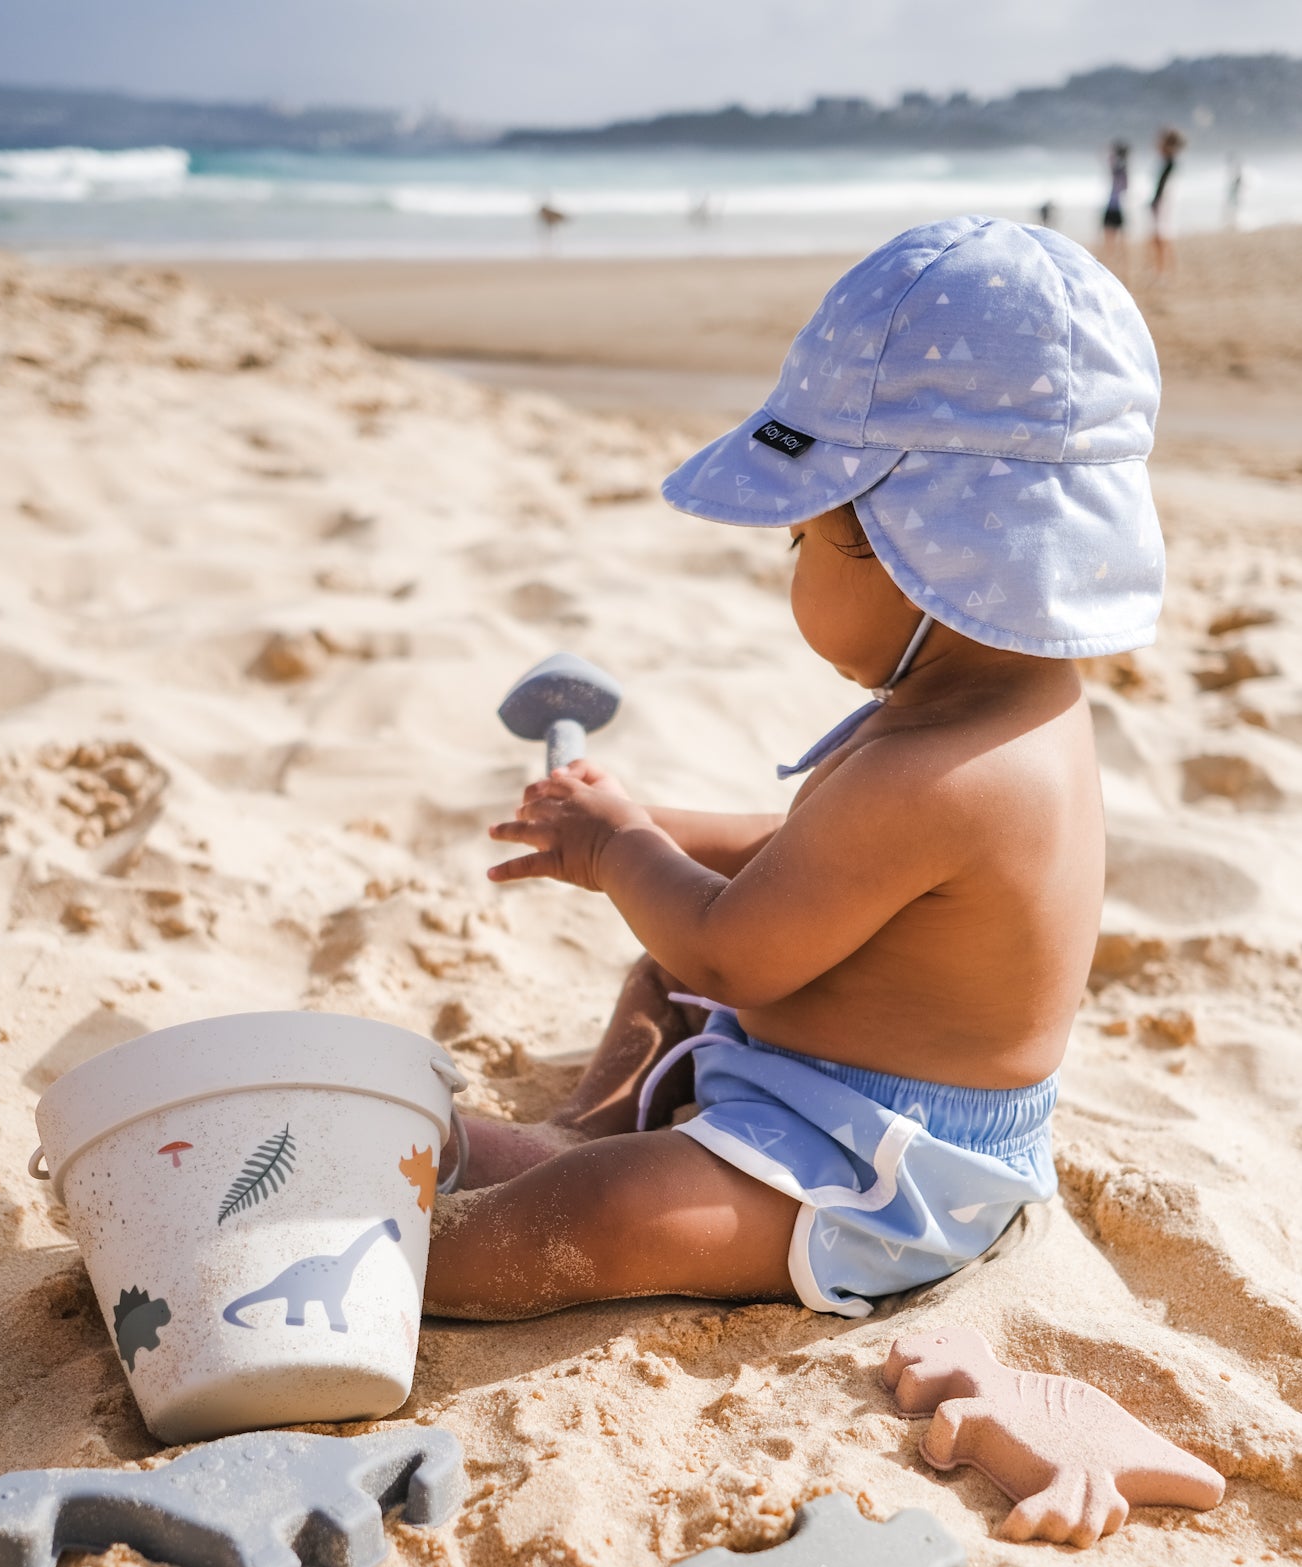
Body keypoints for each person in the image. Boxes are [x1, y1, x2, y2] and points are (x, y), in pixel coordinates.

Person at [424, 215, 1165, 1321]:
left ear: (914, 553)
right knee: (653, 977)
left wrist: (618, 850)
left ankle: (422, 1259)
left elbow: (735, 956)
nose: (790, 563)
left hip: (885, 1167)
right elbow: (805, 860)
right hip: (816, 1077)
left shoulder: (943, 772)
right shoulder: (989, 703)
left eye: (799, 537)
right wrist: (648, 819)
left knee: (607, 1209)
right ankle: (577, 1126)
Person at [1149, 129, 1185, 277]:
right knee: (1162, 237)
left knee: (1160, 238)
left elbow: (1162, 186)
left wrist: (1155, 201)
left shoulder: (1168, 163)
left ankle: (1163, 270)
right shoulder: (1170, 162)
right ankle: (1166, 268)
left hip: (1164, 203)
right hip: (1167, 202)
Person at [1101, 141, 1130, 258]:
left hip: (1114, 204)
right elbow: (1126, 186)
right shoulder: (1124, 167)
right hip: (1120, 204)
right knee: (1119, 234)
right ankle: (1120, 257)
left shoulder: (1119, 167)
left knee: (1109, 234)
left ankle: (1112, 256)